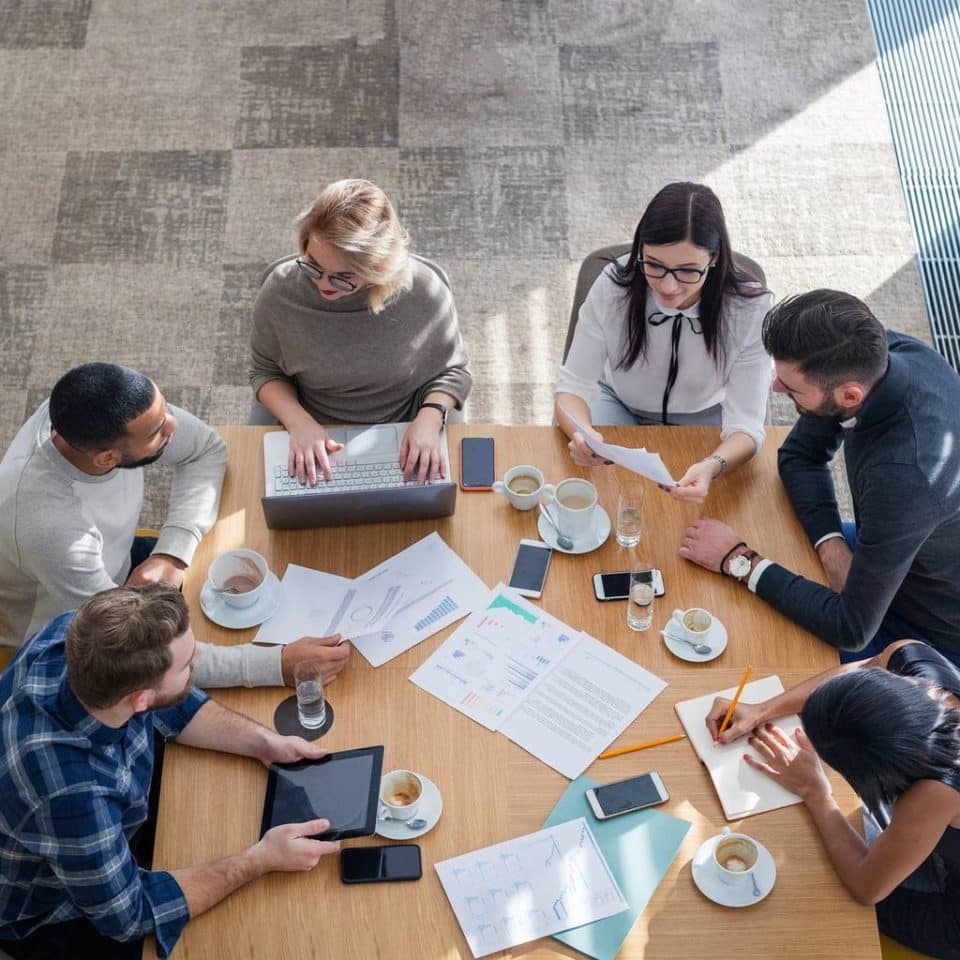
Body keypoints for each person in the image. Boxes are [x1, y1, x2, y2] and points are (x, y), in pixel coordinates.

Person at [0, 585, 341, 960]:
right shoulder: (70, 791)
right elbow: (130, 914)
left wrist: (262, 742)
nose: (198, 658)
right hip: (54, 908)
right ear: (138, 698)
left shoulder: (82, 636)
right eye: (187, 664)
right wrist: (260, 859)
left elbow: (170, 701)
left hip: (110, 821)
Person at [0, 363, 350, 688]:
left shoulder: (88, 408)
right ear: (106, 459)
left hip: (117, 570)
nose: (174, 425)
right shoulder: (52, 528)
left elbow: (207, 449)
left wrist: (172, 555)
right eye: (157, 431)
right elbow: (133, 650)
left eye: (165, 408)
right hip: (63, 635)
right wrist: (277, 665)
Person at [679, 290, 960, 665]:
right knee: (759, 535)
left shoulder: (905, 476)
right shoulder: (887, 353)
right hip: (882, 553)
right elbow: (798, 457)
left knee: (755, 655)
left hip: (923, 629)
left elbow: (852, 629)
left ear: (849, 396)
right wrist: (832, 549)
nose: (775, 389)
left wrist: (738, 559)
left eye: (792, 389)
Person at [707, 639, 960, 958]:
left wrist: (815, 791)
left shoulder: (936, 790)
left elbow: (868, 886)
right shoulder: (908, 657)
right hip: (928, 829)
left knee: (816, 896)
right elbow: (854, 672)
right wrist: (763, 709)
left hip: (948, 909)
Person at [554, 181, 772, 503]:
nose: (668, 286)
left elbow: (747, 424)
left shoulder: (748, 307)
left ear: (713, 259)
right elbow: (571, 388)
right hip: (618, 402)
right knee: (595, 496)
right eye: (654, 265)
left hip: (705, 414)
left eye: (687, 271)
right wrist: (583, 435)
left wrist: (714, 465)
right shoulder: (614, 286)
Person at [250, 178, 472, 486]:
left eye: (343, 277)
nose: (324, 284)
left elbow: (454, 372)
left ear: (377, 268)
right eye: (312, 264)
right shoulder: (280, 292)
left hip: (406, 427)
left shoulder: (424, 293)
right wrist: (299, 422)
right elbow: (266, 371)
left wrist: (430, 418)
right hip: (313, 427)